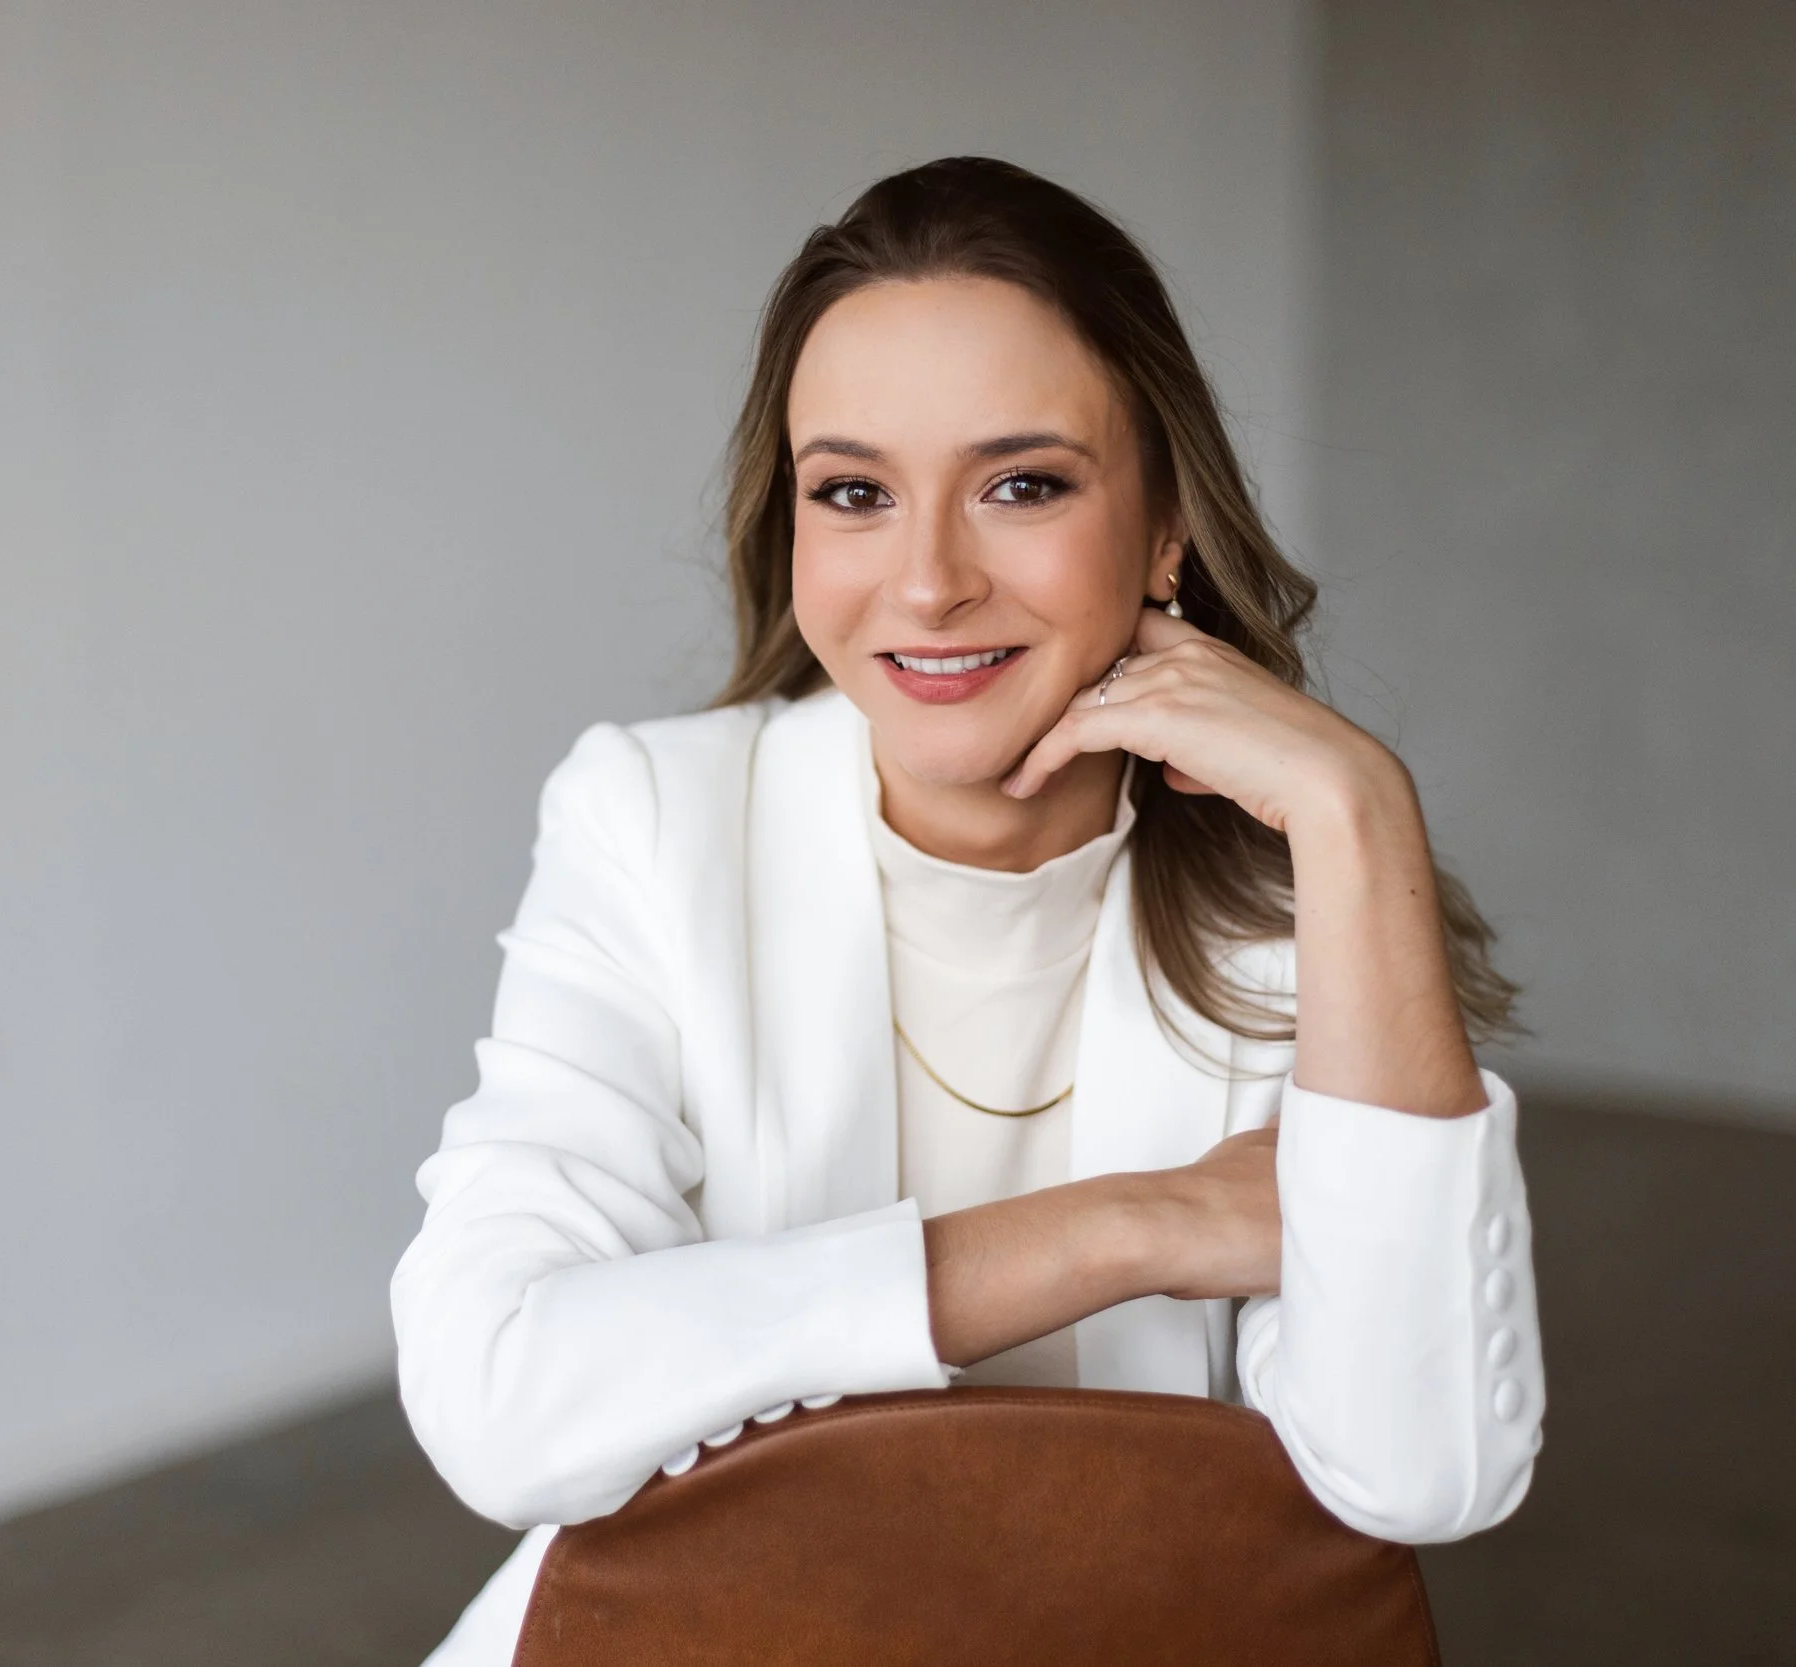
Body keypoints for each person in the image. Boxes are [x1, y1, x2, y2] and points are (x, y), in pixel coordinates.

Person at [391, 156, 1544, 1665]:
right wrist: (1137, 1225)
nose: (926, 581)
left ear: (1166, 525)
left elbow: (1429, 1466)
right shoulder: (656, 822)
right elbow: (501, 1389)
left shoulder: (1293, 890)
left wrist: (1358, 810)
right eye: (855, 492)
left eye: (1022, 484)